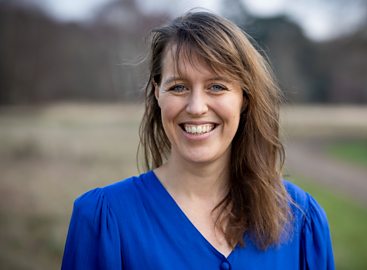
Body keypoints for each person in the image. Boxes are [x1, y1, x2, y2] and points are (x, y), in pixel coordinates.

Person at [61, 11, 334, 270]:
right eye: (178, 87)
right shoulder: (103, 220)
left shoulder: (301, 220)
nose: (196, 107)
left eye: (217, 86)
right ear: (157, 93)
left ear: (244, 98)